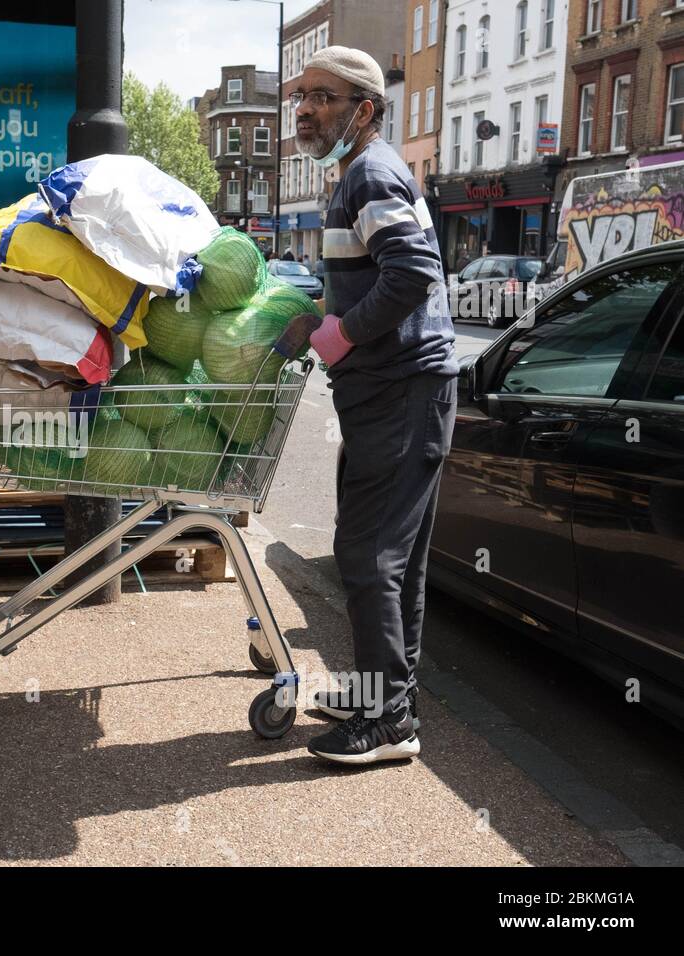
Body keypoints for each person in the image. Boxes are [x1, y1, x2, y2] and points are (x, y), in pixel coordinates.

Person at [293, 46, 458, 765]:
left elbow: (414, 273)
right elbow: (373, 276)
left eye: (322, 97)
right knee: (396, 561)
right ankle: (383, 698)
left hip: (400, 390)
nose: (304, 108)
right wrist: (316, 319)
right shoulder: (360, 174)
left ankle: (387, 723)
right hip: (394, 392)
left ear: (362, 109)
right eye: (301, 95)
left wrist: (339, 334)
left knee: (365, 554)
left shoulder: (371, 172)